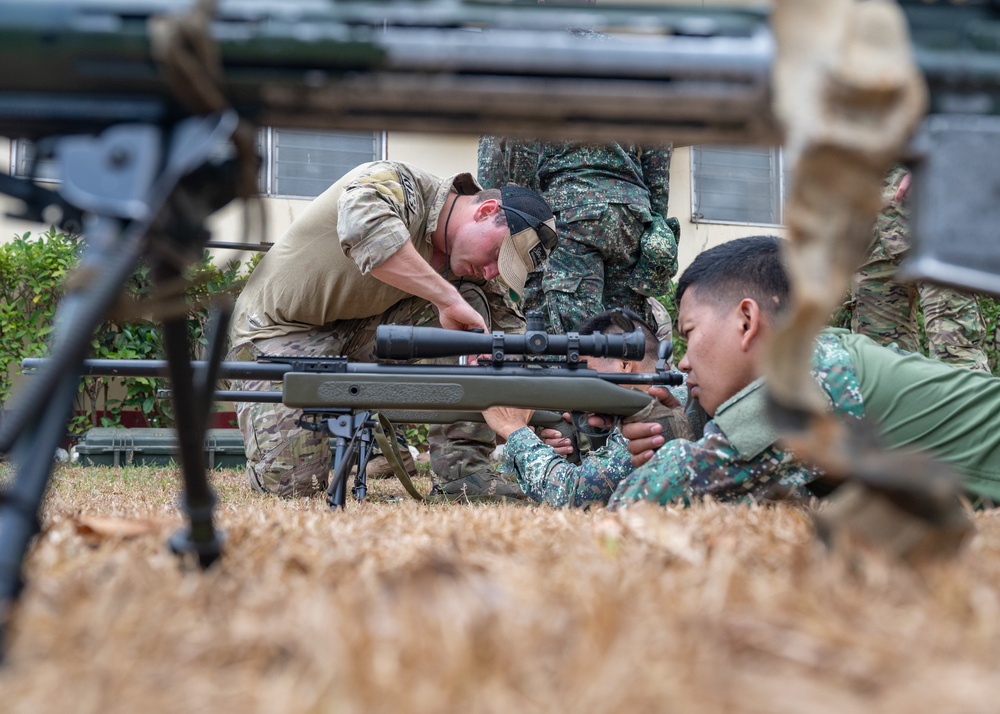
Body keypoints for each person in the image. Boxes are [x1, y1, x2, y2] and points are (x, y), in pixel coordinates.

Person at [227, 160, 556, 499]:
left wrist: (533, 420)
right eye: (495, 256)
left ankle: (463, 474)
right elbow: (363, 228)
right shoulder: (397, 182)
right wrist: (446, 298)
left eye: (500, 269)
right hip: (278, 331)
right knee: (295, 489)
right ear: (485, 211)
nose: (490, 272)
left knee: (477, 315)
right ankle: (353, 438)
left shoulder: (469, 264)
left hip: (366, 333)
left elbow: (510, 338)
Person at [609, 235, 1000, 509]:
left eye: (689, 333)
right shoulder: (824, 356)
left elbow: (645, 499)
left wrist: (677, 443)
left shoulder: (810, 374)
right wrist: (679, 426)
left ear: (746, 320)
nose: (683, 361)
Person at [483, 309, 690, 508]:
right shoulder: (671, 392)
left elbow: (573, 496)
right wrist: (576, 444)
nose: (577, 382)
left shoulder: (662, 408)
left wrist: (514, 429)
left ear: (625, 364)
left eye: (585, 369)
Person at [478, 139, 677, 334]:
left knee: (576, 337)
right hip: (631, 213)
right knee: (627, 334)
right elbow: (659, 148)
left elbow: (519, 139)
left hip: (571, 209)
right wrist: (655, 219)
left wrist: (524, 208)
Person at [852, 166, 989, 372]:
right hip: (867, 229)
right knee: (880, 363)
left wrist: (938, 163)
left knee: (954, 352)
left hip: (929, 217)